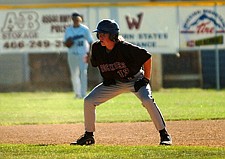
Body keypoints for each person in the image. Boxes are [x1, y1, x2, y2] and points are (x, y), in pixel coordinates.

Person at [70, 19, 172, 145]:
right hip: (115, 83)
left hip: (135, 80)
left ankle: (164, 135)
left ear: (113, 35)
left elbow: (147, 57)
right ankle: (88, 136)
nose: (100, 37)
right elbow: (97, 63)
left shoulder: (125, 48)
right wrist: (108, 77)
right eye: (99, 34)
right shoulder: (97, 47)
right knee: (89, 101)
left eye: (103, 34)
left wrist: (145, 79)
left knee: (147, 100)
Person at [64, 13, 94, 98]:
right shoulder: (69, 30)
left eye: (77, 19)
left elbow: (90, 41)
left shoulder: (84, 29)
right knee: (74, 74)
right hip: (72, 54)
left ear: (80, 19)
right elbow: (66, 44)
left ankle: (83, 93)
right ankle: (77, 93)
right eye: (74, 19)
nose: (76, 21)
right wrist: (69, 42)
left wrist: (89, 54)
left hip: (83, 54)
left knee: (83, 73)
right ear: (72, 20)